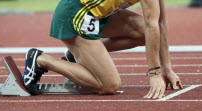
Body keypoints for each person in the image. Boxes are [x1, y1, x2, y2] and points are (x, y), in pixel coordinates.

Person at [23, 0, 183, 99]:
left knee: (142, 32)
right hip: (75, 14)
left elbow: (160, 23)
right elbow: (152, 25)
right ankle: (41, 60)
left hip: (99, 16)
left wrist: (167, 68)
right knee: (109, 85)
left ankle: (79, 56)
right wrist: (155, 73)